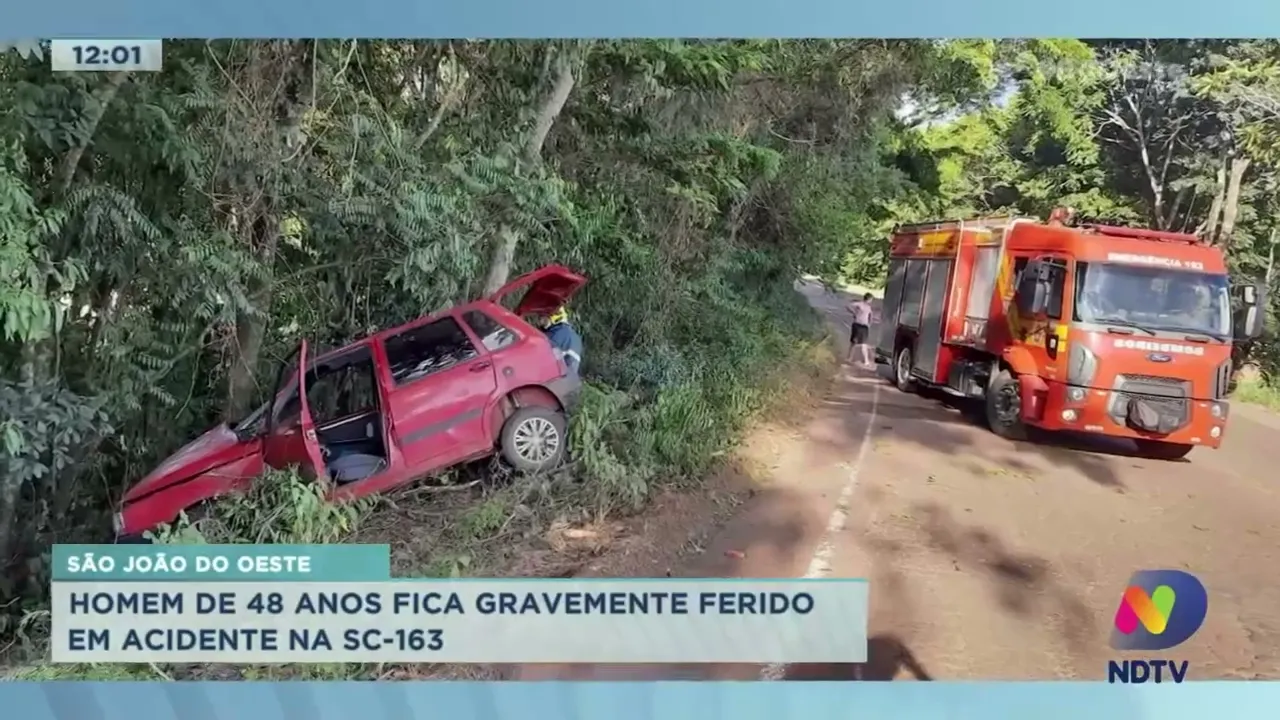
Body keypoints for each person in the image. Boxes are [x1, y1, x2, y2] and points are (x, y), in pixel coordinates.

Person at [538, 306, 584, 376]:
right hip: (568, 381)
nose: (540, 321)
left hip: (554, 379)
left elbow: (541, 357)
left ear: (554, 317)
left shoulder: (558, 334)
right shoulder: (573, 336)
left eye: (543, 317)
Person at [847, 293, 875, 369]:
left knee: (856, 343)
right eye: (871, 300)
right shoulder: (862, 305)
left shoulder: (865, 306)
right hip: (860, 325)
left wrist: (854, 313)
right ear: (868, 299)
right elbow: (871, 317)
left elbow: (871, 316)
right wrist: (854, 313)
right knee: (861, 343)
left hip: (860, 325)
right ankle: (864, 361)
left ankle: (851, 358)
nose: (871, 301)